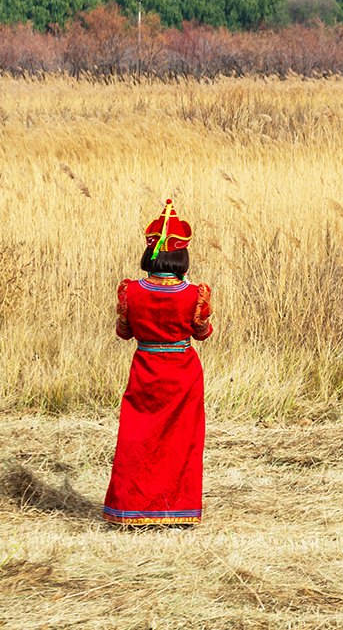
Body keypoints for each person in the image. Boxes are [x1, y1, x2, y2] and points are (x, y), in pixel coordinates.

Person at [103, 199, 213, 526]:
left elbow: (124, 333)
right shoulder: (195, 295)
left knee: (136, 437)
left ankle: (130, 508)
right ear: (181, 256)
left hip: (145, 368)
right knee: (181, 440)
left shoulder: (131, 291)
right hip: (182, 372)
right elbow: (202, 333)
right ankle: (176, 510)